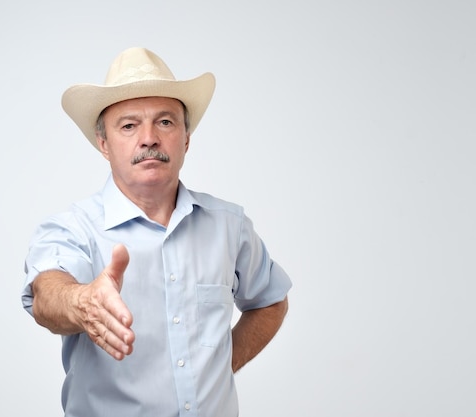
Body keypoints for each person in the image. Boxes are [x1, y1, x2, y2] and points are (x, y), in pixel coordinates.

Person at [22, 47, 292, 417]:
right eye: (129, 126)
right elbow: (45, 294)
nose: (148, 138)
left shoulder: (230, 226)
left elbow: (270, 300)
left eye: (165, 122)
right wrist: (82, 302)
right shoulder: (74, 228)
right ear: (104, 144)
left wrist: (217, 369)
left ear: (186, 138)